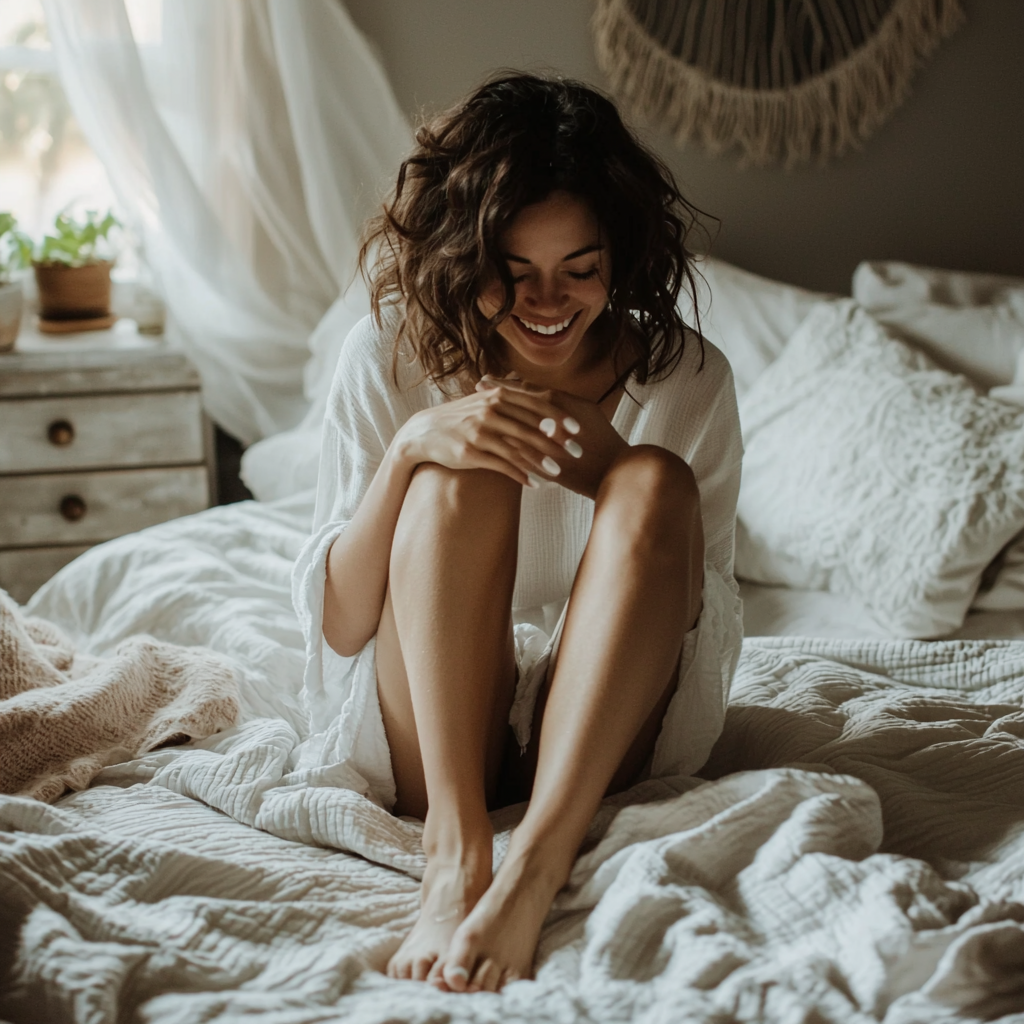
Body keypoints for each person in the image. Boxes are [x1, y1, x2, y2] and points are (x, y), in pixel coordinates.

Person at [293, 72, 743, 994]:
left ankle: (534, 867)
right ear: (465, 255)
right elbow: (340, 626)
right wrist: (413, 448)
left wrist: (615, 474)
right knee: (461, 474)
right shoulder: (388, 353)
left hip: (610, 724)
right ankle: (456, 855)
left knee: (656, 479)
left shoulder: (686, 380)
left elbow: (709, 624)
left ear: (621, 257)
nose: (549, 302)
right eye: (515, 270)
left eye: (580, 269)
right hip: (433, 729)